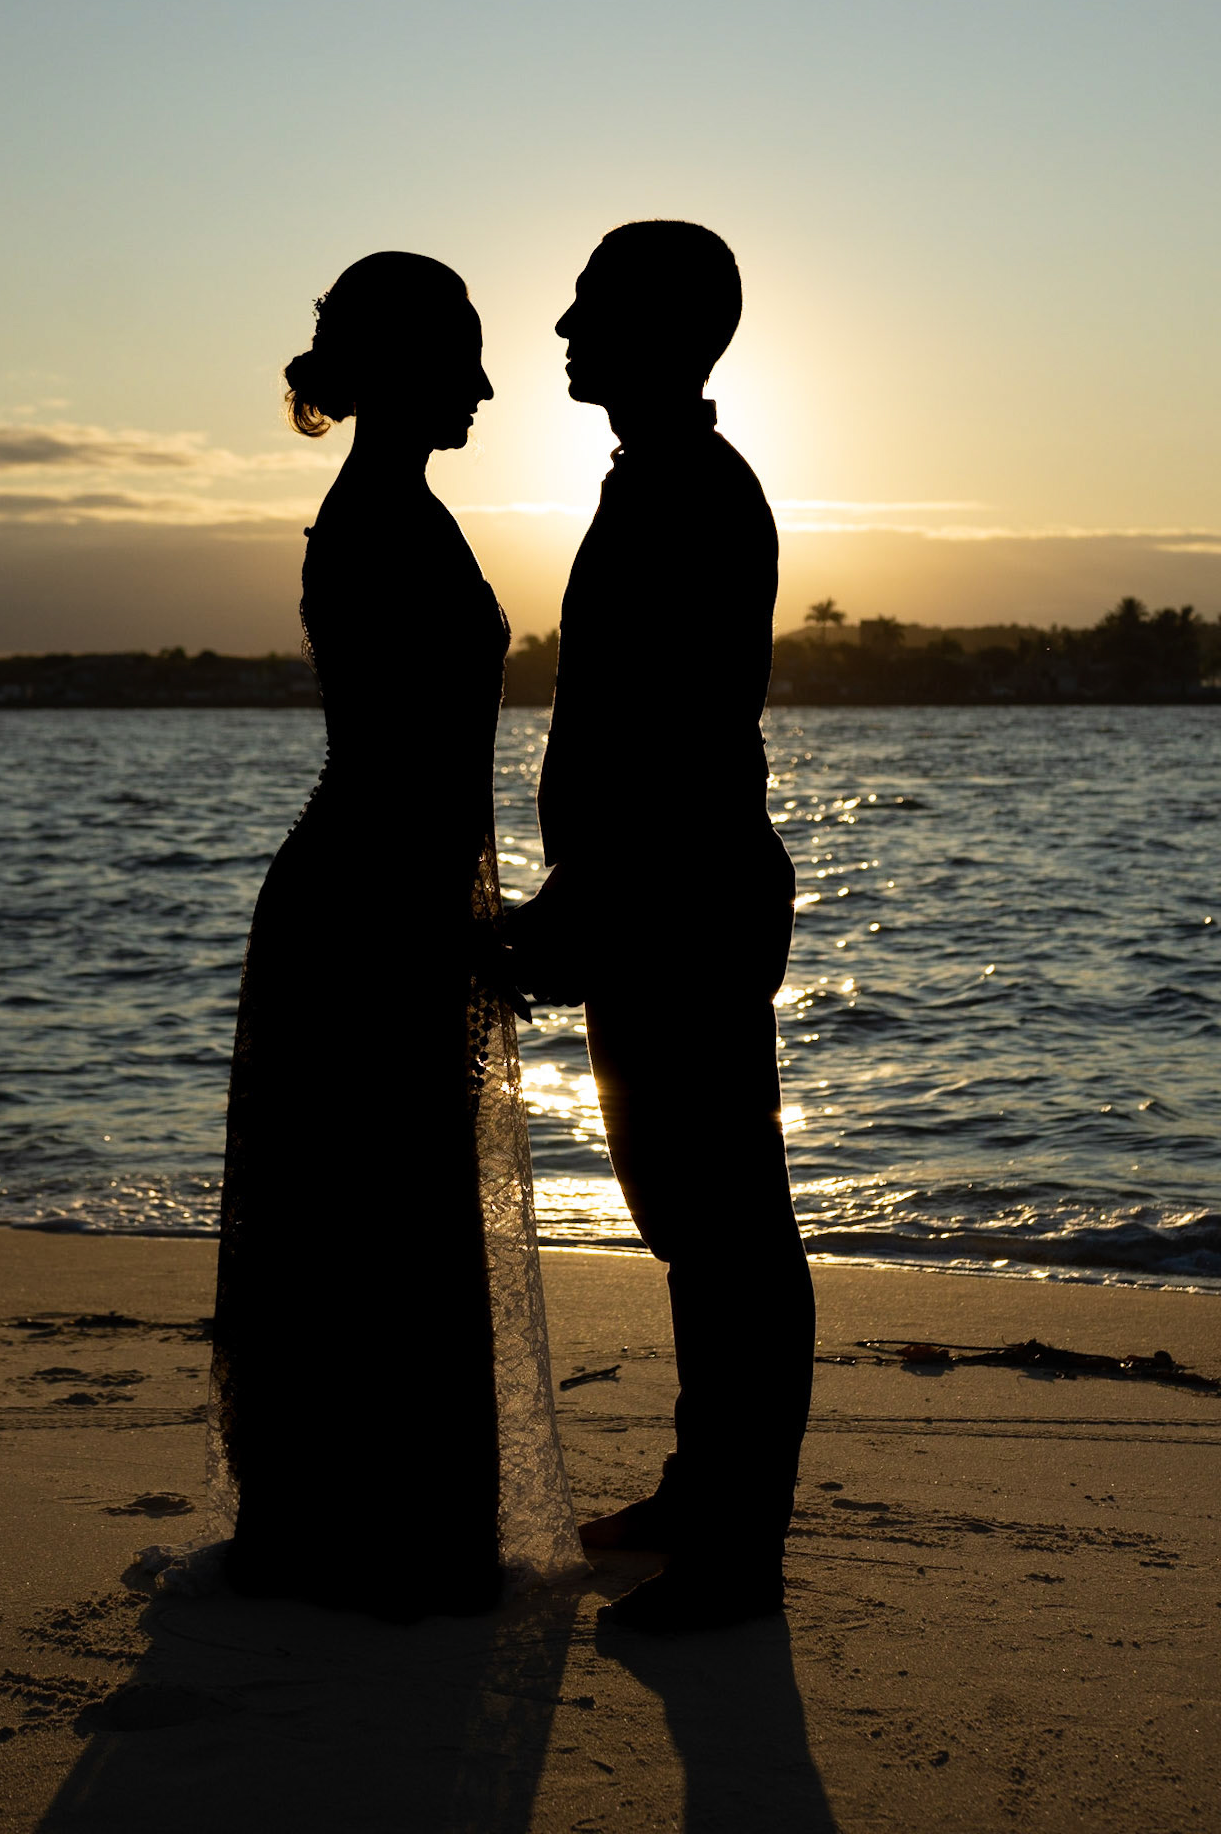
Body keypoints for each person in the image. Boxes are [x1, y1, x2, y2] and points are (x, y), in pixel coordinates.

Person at [210, 252, 581, 1619]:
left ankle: (368, 1528)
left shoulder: (393, 510)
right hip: (368, 906)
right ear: (405, 368)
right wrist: (469, 922)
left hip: (384, 894)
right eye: (461, 359)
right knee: (373, 1219)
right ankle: (364, 1536)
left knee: (381, 1216)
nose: (485, 385)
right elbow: (410, 760)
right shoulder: (375, 521)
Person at [508, 220, 814, 1633]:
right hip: (653, 897)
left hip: (678, 898)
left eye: (588, 307)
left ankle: (737, 1550)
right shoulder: (656, 482)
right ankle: (705, 1495)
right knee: (687, 1220)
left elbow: (677, 738)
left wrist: (577, 900)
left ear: (663, 329)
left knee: (728, 1224)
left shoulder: (692, 494)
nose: (562, 328)